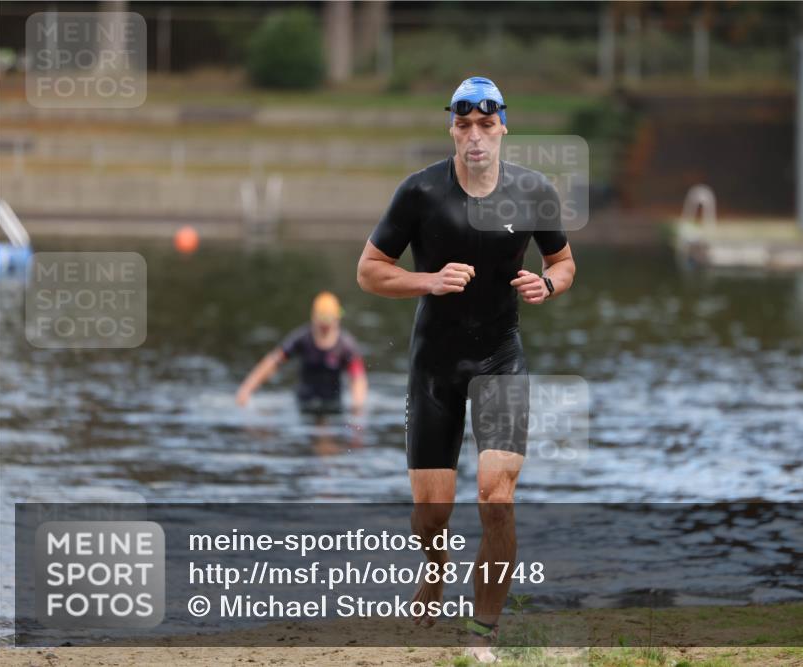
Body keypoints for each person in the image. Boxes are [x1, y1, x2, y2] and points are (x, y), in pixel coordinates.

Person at [356, 76, 576, 663]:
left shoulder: (534, 191)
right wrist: (427, 280)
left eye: (486, 124)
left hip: (501, 359)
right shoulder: (420, 193)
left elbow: (564, 259)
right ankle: (434, 570)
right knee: (431, 513)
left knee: (494, 496)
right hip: (434, 366)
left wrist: (549, 283)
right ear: (452, 128)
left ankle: (484, 629)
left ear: (503, 125)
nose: (475, 136)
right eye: (463, 125)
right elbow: (369, 270)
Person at [236, 291, 367, 414]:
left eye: (329, 320)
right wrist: (246, 390)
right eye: (322, 320)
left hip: (333, 405)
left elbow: (358, 378)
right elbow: (273, 362)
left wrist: (358, 405)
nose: (325, 327)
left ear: (337, 318)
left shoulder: (346, 345)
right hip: (303, 403)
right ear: (314, 317)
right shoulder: (302, 338)